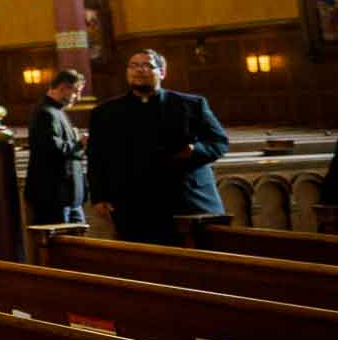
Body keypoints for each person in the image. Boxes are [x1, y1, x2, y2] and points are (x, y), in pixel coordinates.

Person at [88, 49, 228, 244]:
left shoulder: (190, 105)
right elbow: (96, 156)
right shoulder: (105, 112)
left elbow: (219, 142)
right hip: (134, 202)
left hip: (187, 199)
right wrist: (99, 196)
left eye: (147, 65)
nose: (139, 70)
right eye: (134, 66)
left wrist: (195, 150)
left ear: (162, 72)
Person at [25, 69, 87, 226]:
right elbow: (51, 149)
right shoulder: (45, 113)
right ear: (63, 88)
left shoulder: (56, 111)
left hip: (66, 196)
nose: (78, 97)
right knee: (61, 246)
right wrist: (80, 143)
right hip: (54, 195)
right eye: (76, 92)